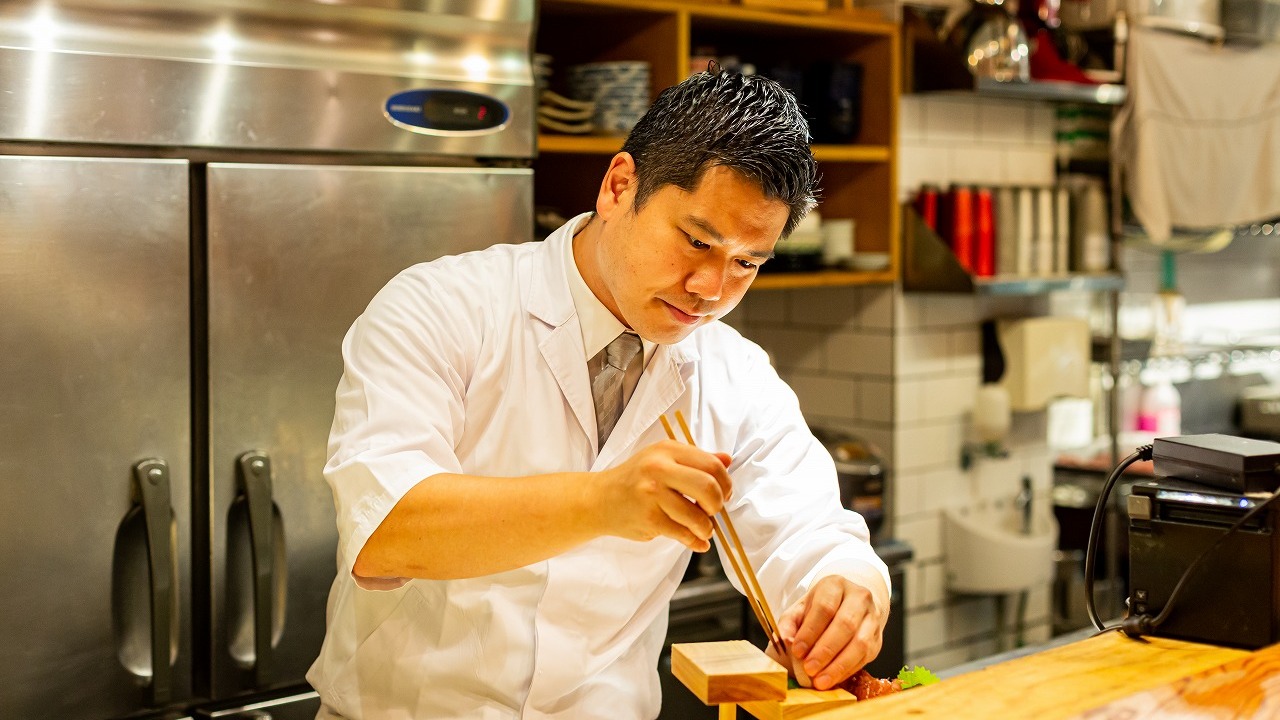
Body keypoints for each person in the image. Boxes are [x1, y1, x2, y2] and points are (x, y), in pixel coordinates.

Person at [307, 68, 890, 720]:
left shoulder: (736, 376)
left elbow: (808, 535)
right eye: (697, 241)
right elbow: (387, 529)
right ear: (619, 187)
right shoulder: (442, 308)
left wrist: (848, 590)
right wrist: (603, 501)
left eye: (747, 263)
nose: (710, 288)